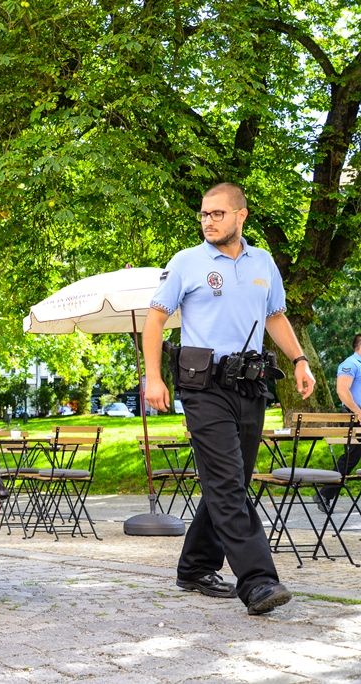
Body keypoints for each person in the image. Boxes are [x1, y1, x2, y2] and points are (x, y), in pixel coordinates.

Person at [143, 182, 314, 617]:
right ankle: (257, 581)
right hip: (203, 388)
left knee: (231, 481)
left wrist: (299, 360)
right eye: (204, 214)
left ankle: (195, 566)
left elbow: (275, 316)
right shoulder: (187, 262)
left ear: (241, 215)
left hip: (250, 384)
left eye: (217, 213)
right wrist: (153, 378)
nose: (208, 221)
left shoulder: (263, 263)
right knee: (226, 483)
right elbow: (155, 319)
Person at [316, 334, 361, 510]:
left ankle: (325, 494)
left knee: (352, 457)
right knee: (352, 457)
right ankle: (324, 493)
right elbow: (342, 390)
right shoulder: (350, 364)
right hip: (354, 416)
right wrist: (357, 411)